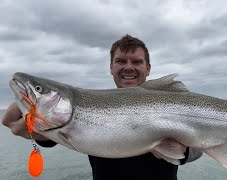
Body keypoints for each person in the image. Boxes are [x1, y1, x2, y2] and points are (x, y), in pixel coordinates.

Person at [2, 34, 203, 180]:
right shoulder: (89, 101)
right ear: (111, 68)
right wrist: (32, 126)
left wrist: (184, 151)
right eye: (121, 61)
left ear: (148, 68)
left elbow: (202, 141)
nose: (128, 67)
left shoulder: (169, 100)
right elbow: (50, 134)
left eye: (137, 62)